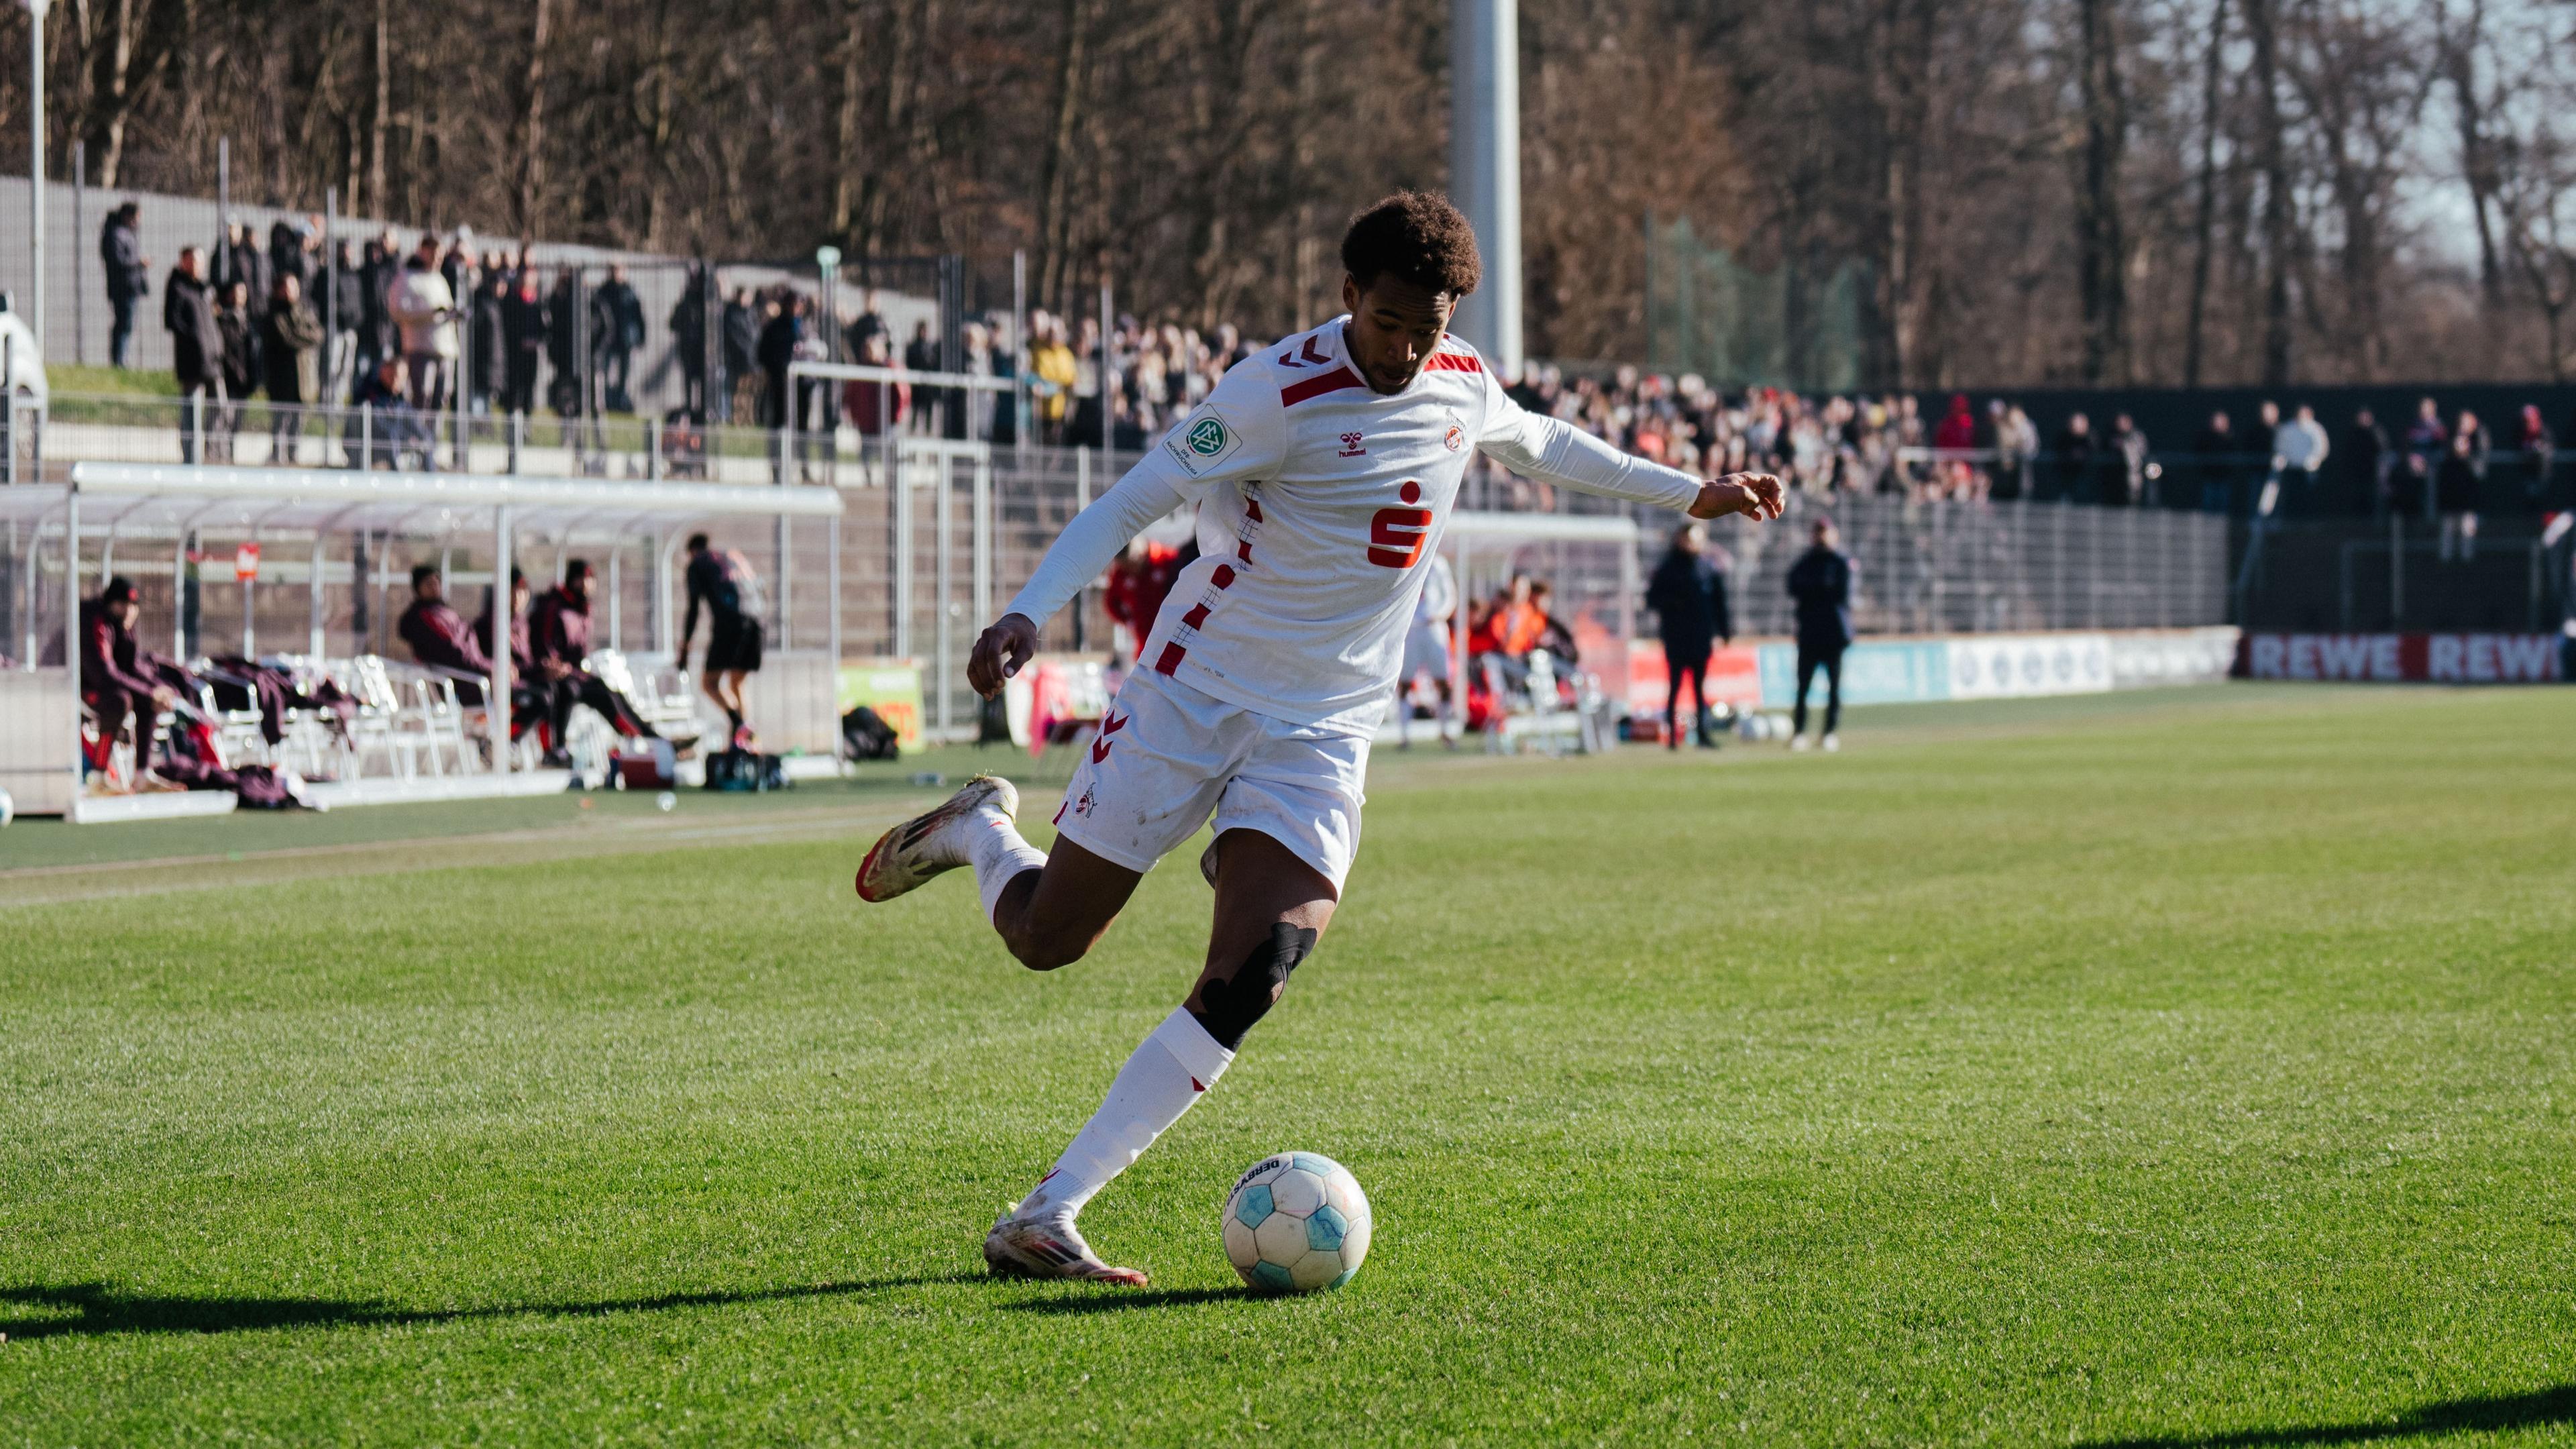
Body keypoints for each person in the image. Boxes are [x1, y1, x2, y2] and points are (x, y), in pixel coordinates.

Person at [849, 191, 1784, 1285]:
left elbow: (1541, 441)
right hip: (1191, 696)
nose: (1406, 347)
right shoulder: (1270, 393)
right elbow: (1129, 504)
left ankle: (1049, 1210)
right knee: (1049, 940)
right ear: (1349, 298)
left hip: (1326, 725)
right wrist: (1026, 606)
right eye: (1388, 321)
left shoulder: (1458, 379)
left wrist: (1691, 494)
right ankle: (979, 832)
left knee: (1262, 963)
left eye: (1427, 326)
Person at [526, 560, 659, 765]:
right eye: (584, 579)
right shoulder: (554, 607)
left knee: (610, 693)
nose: (588, 585)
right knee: (568, 691)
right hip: (552, 675)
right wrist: (553, 665)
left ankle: (649, 737)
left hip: (573, 673)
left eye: (591, 580)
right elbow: (545, 647)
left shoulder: (581, 609)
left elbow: (578, 655)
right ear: (574, 580)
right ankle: (557, 750)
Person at [78, 576, 186, 781]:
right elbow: (104, 673)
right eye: (122, 605)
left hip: (105, 686)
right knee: (120, 701)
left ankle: (143, 774)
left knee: (148, 701)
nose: (128, 611)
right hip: (80, 688)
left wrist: (158, 689)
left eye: (133, 606)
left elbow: (133, 667)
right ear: (110, 604)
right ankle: (98, 775)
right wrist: (150, 691)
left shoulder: (124, 627)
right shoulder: (96, 621)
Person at [1646, 521, 1730, 749]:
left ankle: (1702, 734)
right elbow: (1652, 599)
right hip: (1676, 636)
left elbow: (1719, 603)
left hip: (1701, 636)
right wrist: (1675, 604)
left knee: (1699, 688)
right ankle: (1672, 736)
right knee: (1674, 687)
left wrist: (1724, 632)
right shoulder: (1668, 568)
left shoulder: (1708, 568)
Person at [678, 535, 765, 749]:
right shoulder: (732, 556)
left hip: (730, 623)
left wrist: (685, 646)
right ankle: (746, 744)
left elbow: (694, 609)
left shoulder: (698, 563)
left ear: (692, 551)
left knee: (709, 684)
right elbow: (761, 591)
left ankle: (741, 726)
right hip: (758, 622)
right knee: (737, 682)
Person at [1785, 517, 1855, 753]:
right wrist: (1819, 588)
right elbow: (1793, 586)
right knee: (1803, 688)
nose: (1822, 536)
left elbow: (1841, 593)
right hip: (1809, 634)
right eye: (1818, 532)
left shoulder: (1840, 563)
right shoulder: (1805, 562)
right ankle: (1800, 732)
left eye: (1825, 532)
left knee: (1834, 688)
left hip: (1834, 635)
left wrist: (1814, 589)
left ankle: (1829, 732)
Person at [1393, 549, 1457, 747]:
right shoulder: (1406, 559)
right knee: (1404, 682)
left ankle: (1445, 730)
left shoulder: (1438, 563)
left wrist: (1439, 614)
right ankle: (1405, 735)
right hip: (1411, 629)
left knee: (1442, 680)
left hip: (1433, 628)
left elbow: (1449, 595)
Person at [164, 246, 221, 464]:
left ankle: (213, 452)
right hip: (193, 361)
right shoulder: (178, 287)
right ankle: (191, 458)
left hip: (212, 359)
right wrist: (194, 341)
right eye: (195, 261)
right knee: (192, 411)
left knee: (219, 406)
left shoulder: (203, 290)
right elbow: (173, 321)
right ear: (185, 261)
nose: (200, 265)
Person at [260, 274, 323, 464]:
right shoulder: (273, 314)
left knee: (298, 420)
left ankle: (293, 455)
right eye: (287, 288)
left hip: (303, 378)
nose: (291, 292)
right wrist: (304, 337)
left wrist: (299, 335)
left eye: (294, 287)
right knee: (281, 419)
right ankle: (278, 456)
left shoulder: (305, 310)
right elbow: (287, 339)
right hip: (282, 379)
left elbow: (318, 335)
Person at [212, 280, 260, 464]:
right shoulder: (222, 319)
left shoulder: (248, 321)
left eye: (242, 292)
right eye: (236, 292)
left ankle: (229, 454)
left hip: (244, 380)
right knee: (223, 418)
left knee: (237, 421)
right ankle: (217, 455)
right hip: (229, 377)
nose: (239, 296)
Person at [99, 201, 149, 368]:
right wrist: (139, 263)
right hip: (122, 287)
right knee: (123, 324)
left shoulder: (127, 233)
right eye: (136, 217)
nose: (138, 222)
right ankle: (119, 361)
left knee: (127, 324)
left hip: (131, 286)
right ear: (128, 216)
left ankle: (122, 360)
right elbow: (117, 261)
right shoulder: (116, 234)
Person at [591, 264, 644, 413]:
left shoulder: (629, 291)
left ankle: (621, 400)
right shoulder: (604, 291)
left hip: (625, 338)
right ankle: (607, 400)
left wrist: (641, 335)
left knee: (624, 372)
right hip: (607, 339)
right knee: (604, 371)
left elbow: (638, 314)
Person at [2274, 404, 2329, 514]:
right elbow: (2280, 447)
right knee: (2293, 497)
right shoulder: (2287, 429)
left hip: (2309, 470)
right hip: (2292, 469)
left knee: (2309, 497)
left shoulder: (2316, 429)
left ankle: (2309, 522)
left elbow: (2322, 448)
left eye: (2305, 414)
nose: (2302, 416)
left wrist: (2313, 461)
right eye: (2300, 414)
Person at [2341, 408, 2390, 518]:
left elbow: (2383, 450)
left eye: (2365, 417)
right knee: (2357, 497)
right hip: (2357, 472)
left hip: (2373, 472)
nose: (2363, 420)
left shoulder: (2376, 431)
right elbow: (2348, 452)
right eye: (2361, 417)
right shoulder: (2353, 433)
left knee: (2372, 496)